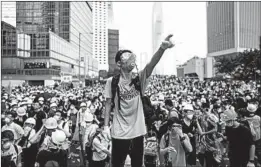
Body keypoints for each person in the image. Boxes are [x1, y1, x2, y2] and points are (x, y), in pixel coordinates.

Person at [104, 34, 174, 167]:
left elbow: (151, 65)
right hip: (119, 133)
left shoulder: (139, 79)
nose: (131, 59)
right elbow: (108, 104)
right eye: (126, 56)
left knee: (137, 164)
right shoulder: (111, 82)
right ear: (119, 63)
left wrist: (162, 49)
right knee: (117, 164)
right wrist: (106, 127)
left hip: (137, 133)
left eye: (132, 56)